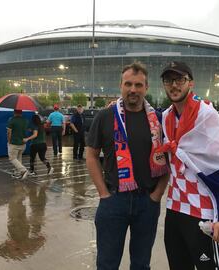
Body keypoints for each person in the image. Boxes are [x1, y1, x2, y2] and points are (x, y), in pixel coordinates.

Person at [86, 62, 168, 270]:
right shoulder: (105, 116)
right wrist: (103, 193)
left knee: (141, 264)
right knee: (107, 264)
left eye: (138, 85)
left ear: (146, 88)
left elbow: (168, 159)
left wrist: (157, 194)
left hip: (147, 203)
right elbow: (92, 156)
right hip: (114, 200)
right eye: (128, 84)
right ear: (121, 85)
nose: (133, 90)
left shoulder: (158, 120)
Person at [159, 61, 219, 270]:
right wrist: (117, 104)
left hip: (203, 211)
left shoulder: (206, 114)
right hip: (175, 209)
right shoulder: (166, 117)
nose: (174, 85)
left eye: (179, 80)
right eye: (168, 80)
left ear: (190, 83)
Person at [7, 109, 29, 180]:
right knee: (19, 158)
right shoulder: (25, 120)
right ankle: (18, 173)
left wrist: (9, 141)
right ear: (21, 112)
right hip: (23, 143)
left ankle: (23, 170)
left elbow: (9, 132)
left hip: (14, 143)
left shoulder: (11, 120)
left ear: (14, 112)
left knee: (12, 158)